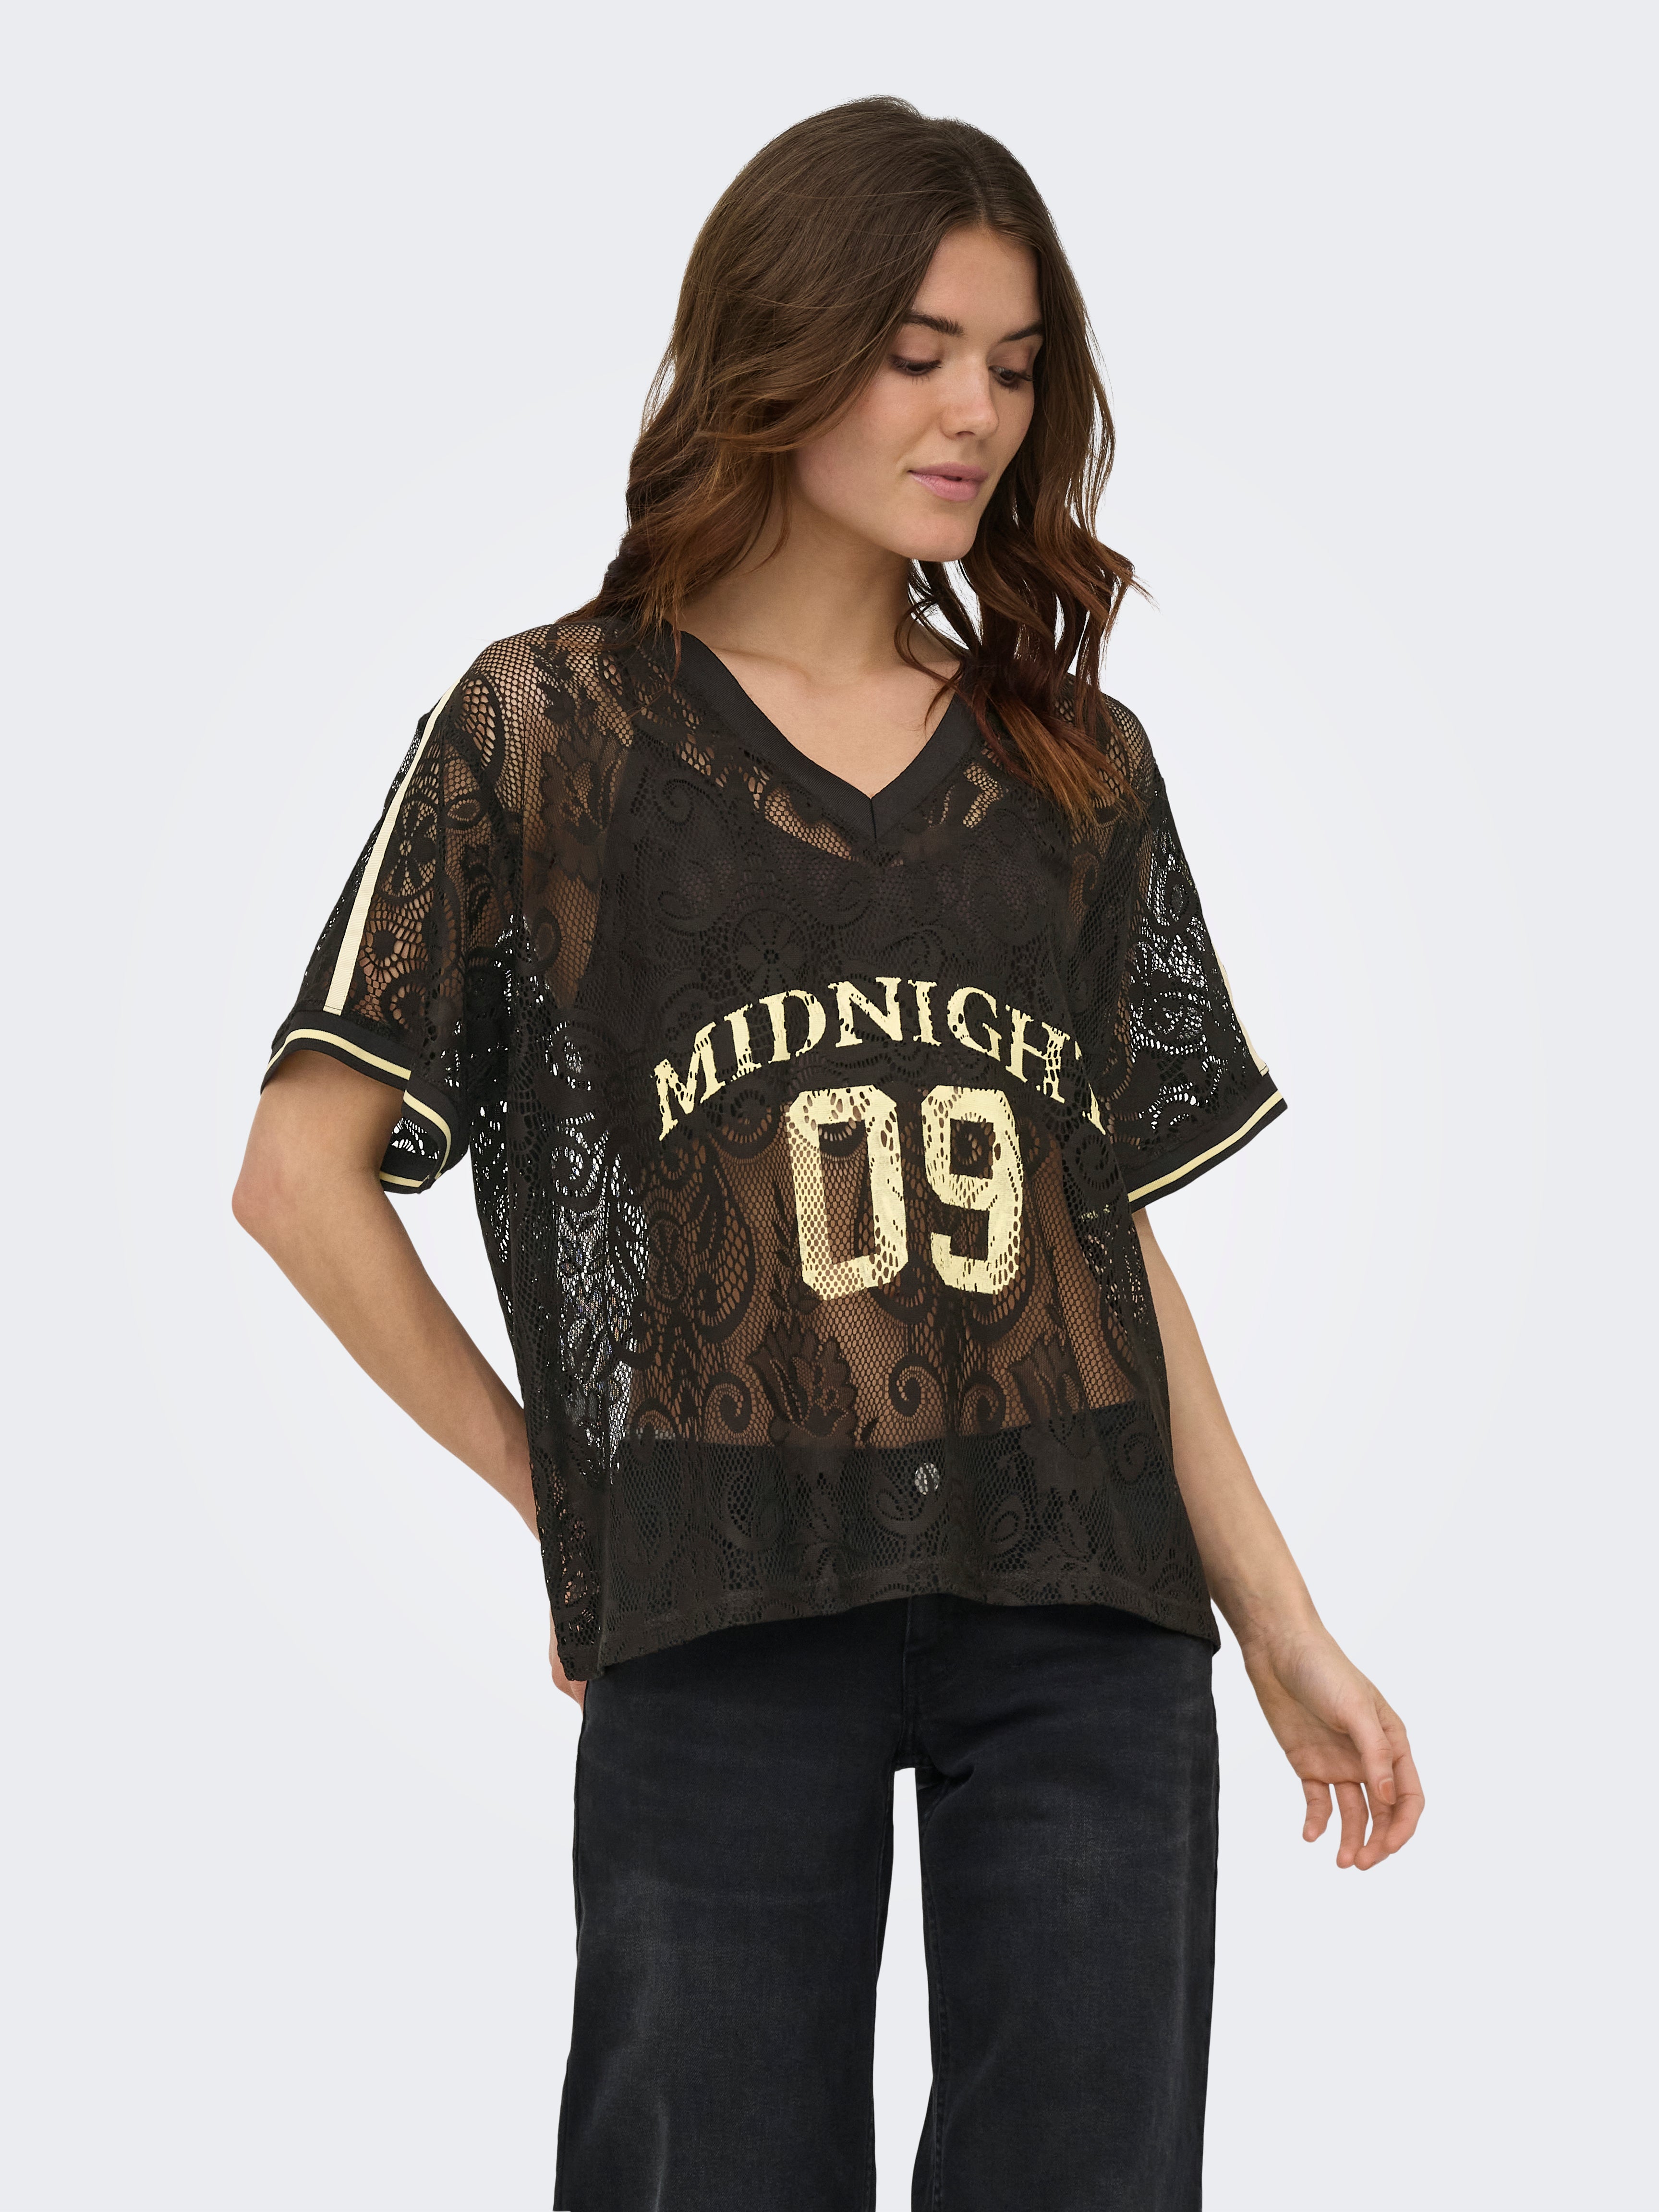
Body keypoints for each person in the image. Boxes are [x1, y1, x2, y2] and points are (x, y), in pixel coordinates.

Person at [233, 96, 1423, 2212]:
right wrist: (561, 1491)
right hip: (726, 1584)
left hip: (1080, 1599)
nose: (976, 412)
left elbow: (1092, 1242)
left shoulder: (1070, 759)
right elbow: (297, 1176)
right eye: (919, 351)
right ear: (778, 348)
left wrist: (1282, 1621)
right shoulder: (551, 728)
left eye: (1017, 365)